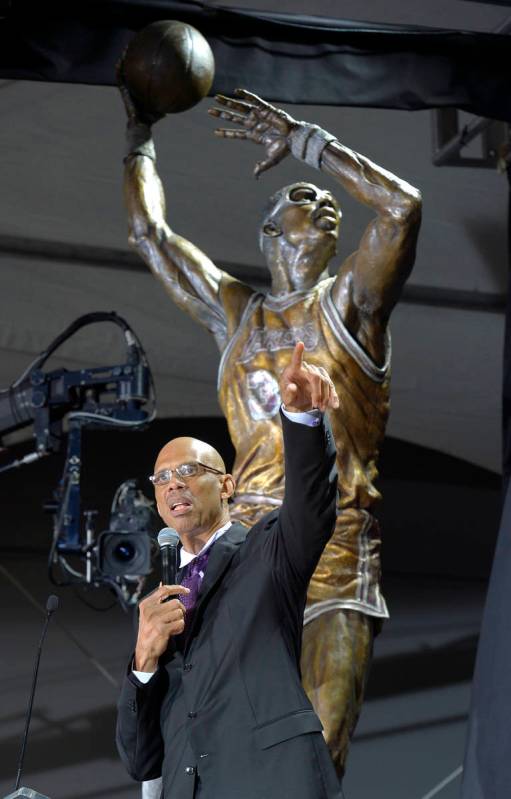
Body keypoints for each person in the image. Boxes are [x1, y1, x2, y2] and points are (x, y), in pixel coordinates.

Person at [118, 78, 422, 772]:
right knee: (207, 744)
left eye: (326, 202)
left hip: (335, 553)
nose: (322, 201)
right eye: (300, 196)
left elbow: (402, 206)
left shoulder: (350, 304)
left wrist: (309, 148)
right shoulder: (237, 312)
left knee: (312, 754)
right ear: (266, 232)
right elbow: (148, 234)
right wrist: (138, 137)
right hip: (248, 551)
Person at [116, 342, 342, 798]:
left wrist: (302, 419)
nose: (173, 482)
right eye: (161, 478)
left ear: (226, 486)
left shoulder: (267, 551)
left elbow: (311, 505)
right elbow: (139, 758)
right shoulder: (159, 601)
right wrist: (143, 662)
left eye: (187, 470)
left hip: (271, 784)